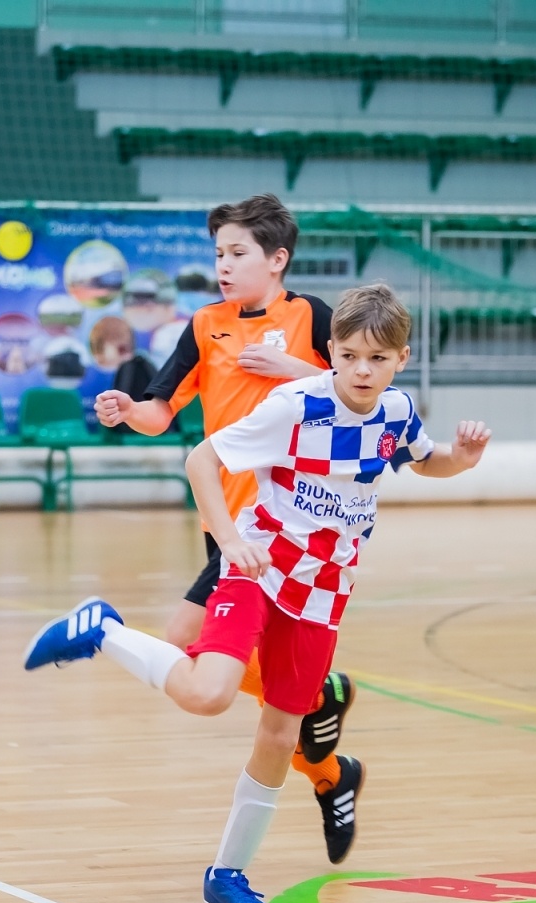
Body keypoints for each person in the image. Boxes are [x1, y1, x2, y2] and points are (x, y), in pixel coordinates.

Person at [25, 283, 492, 903]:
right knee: (208, 692)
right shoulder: (296, 404)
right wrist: (229, 539)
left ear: (401, 359)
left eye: (377, 359)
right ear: (330, 350)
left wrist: (459, 461)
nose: (362, 370)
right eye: (350, 355)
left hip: (325, 595)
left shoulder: (397, 412)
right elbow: (202, 459)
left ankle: (228, 874)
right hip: (260, 569)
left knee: (280, 734)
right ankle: (103, 631)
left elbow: (424, 460)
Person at [93, 194, 361, 861]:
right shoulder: (206, 325)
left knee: (188, 644)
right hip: (227, 526)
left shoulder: (312, 318)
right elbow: (162, 411)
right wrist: (129, 410)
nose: (223, 265)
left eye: (237, 253)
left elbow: (361, 390)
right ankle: (329, 768)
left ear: (277, 260)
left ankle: (321, 722)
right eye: (218, 253)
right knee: (263, 687)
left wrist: (298, 370)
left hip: (286, 526)